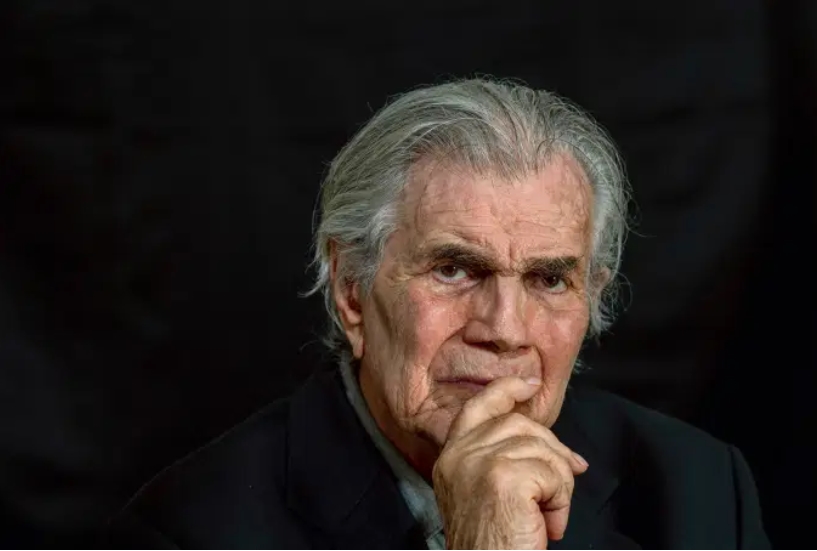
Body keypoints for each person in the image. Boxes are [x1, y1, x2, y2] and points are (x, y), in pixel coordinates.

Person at [107, 78, 769, 549]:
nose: (504, 330)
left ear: (591, 296)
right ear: (351, 290)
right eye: (454, 269)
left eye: (548, 279)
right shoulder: (188, 530)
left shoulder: (701, 492)